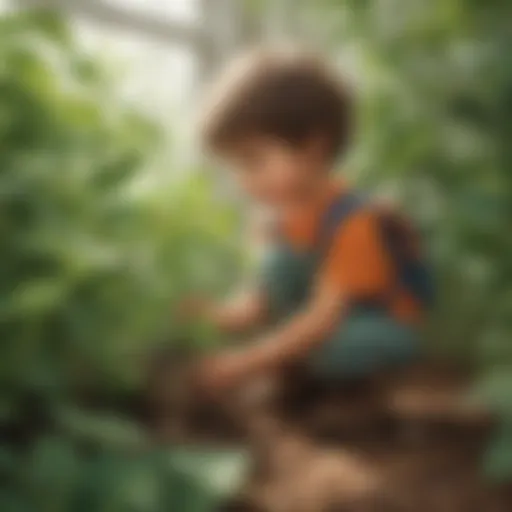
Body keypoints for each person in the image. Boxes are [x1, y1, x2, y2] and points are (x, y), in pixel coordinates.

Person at [188, 48, 431, 395]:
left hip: (375, 325)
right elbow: (258, 302)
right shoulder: (277, 224)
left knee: (327, 350)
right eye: (236, 167)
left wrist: (245, 363)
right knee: (282, 287)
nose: (244, 180)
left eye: (254, 161)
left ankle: (351, 392)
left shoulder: (356, 221)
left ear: (315, 148)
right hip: (319, 322)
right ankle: (294, 369)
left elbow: (322, 319)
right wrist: (210, 315)